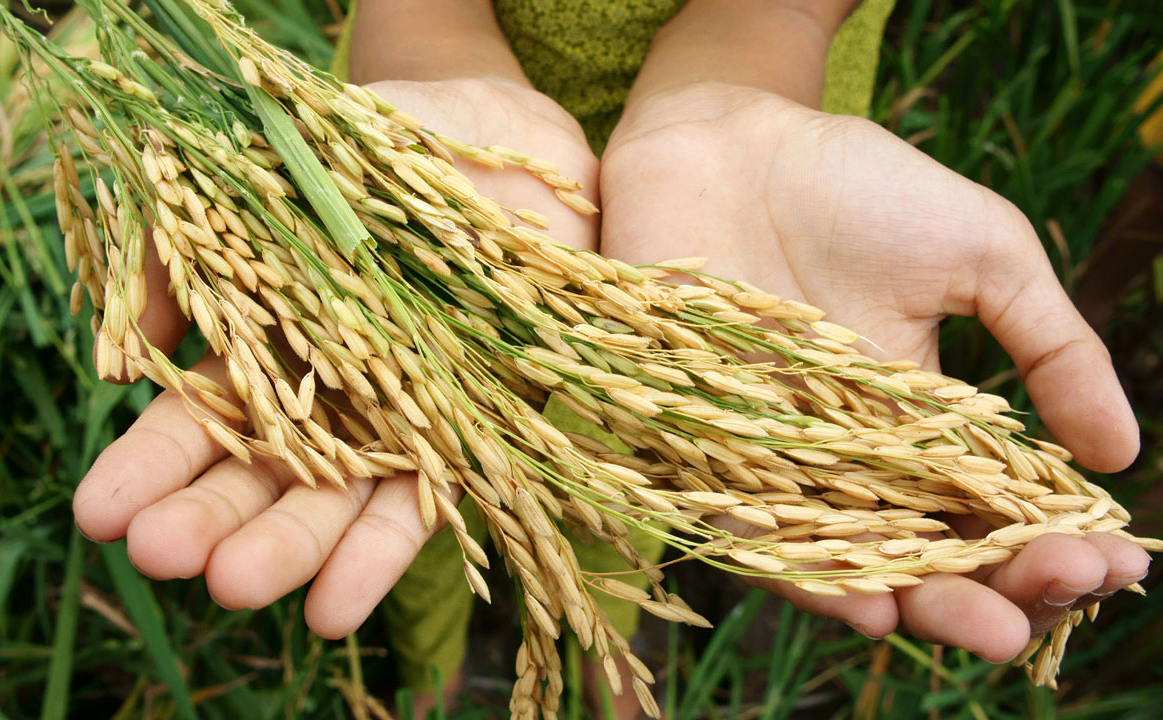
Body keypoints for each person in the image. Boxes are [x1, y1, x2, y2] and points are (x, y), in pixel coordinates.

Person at [72, 1, 1151, 717]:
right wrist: (426, 38)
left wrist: (740, 61)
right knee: (416, 458)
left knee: (654, 460)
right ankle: (437, 669)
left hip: (742, 163)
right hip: (434, 145)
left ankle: (603, 658)